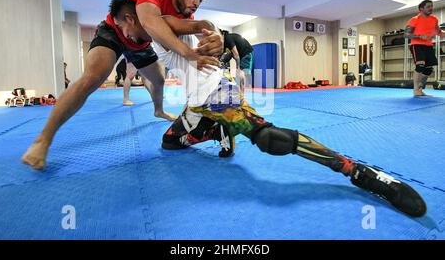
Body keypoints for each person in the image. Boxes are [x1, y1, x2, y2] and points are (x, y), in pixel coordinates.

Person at [156, 14, 427, 218]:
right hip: (196, 103)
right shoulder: (151, 37)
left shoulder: (173, 22)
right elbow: (154, 33)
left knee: (270, 138)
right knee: (170, 142)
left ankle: (356, 170)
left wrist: (213, 34)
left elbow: (200, 25)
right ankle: (219, 130)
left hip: (219, 95)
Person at [21, 0, 223, 170]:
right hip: (115, 34)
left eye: (201, 0)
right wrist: (189, 53)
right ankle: (43, 140)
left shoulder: (187, 12)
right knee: (93, 77)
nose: (196, 3)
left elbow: (199, 28)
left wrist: (215, 38)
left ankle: (158, 110)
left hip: (141, 44)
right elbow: (149, 22)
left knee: (159, 79)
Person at [405, 0, 445, 96]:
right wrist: (419, 36)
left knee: (428, 69)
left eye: (431, 6)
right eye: (428, 6)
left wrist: (442, 33)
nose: (431, 8)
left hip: (428, 46)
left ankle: (420, 88)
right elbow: (406, 34)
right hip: (417, 45)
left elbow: (438, 31)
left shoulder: (434, 19)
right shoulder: (414, 19)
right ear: (421, 9)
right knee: (420, 66)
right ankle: (415, 90)